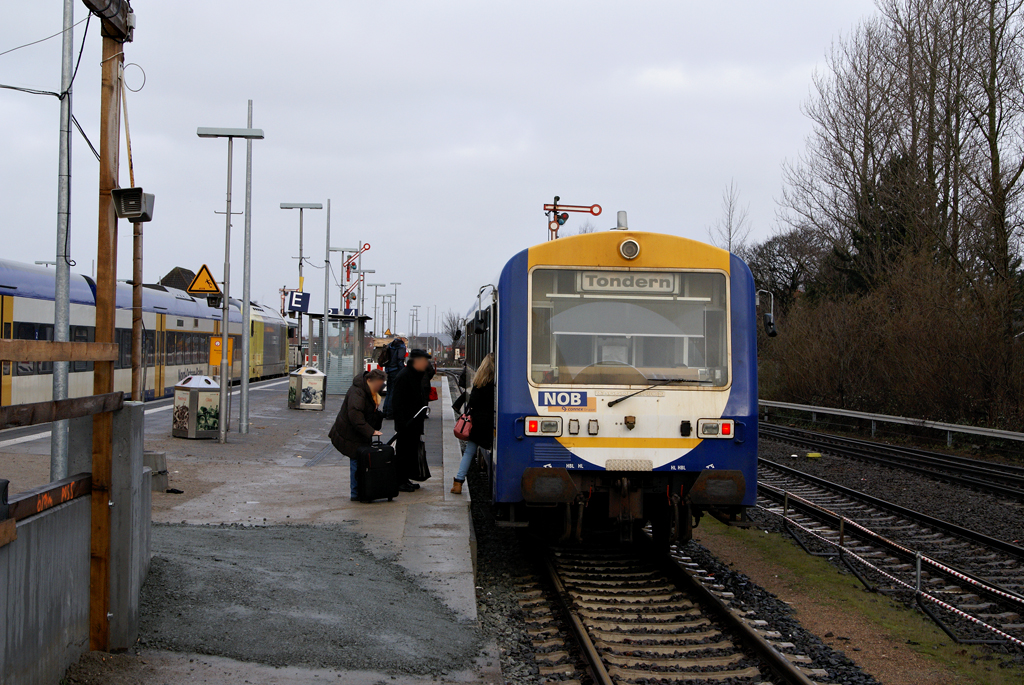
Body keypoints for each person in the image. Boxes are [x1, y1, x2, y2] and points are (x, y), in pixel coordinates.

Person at [328, 369, 386, 501]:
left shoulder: (369, 391)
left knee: (360, 460)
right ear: (369, 380)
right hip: (350, 432)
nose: (380, 387)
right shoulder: (357, 392)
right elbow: (355, 416)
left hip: (358, 431)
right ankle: (356, 492)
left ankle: (362, 490)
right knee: (356, 459)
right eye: (378, 384)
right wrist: (371, 431)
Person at [452, 353, 494, 494]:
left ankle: (458, 483)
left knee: (469, 452)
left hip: (477, 423)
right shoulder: (496, 384)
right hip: (490, 423)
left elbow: (472, 403)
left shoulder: (478, 382)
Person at [391, 348, 432, 492]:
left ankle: (405, 479)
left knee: (410, 452)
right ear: (417, 361)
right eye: (424, 361)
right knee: (403, 452)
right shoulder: (404, 376)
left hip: (414, 422)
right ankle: (399, 481)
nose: (427, 364)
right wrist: (401, 424)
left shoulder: (415, 375)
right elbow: (396, 402)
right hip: (406, 423)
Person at [381, 337, 407, 420]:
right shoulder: (401, 346)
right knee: (393, 392)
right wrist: (403, 371)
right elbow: (400, 360)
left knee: (389, 391)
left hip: (389, 370)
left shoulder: (390, 345)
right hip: (396, 371)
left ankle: (385, 411)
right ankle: (390, 413)